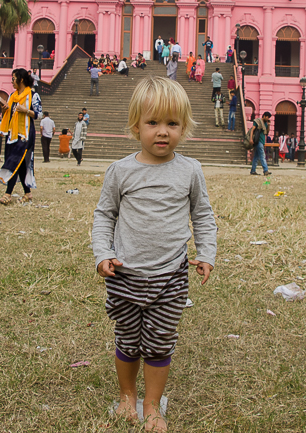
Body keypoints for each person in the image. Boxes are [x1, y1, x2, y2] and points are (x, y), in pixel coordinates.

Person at [92, 75, 217, 432]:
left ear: (185, 127)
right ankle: (127, 396)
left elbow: (203, 215)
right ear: (136, 127)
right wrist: (102, 253)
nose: (162, 132)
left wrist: (206, 253)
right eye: (153, 123)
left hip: (170, 278)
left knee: (160, 343)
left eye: (172, 123)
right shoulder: (120, 171)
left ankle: (152, 403)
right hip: (124, 274)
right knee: (128, 340)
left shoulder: (190, 171)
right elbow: (104, 216)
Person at [0, 68, 41, 205]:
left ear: (21, 79)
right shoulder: (12, 96)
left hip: (25, 135)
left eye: (13, 79)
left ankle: (7, 194)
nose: (12, 82)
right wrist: (4, 109)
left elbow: (38, 114)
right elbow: (8, 114)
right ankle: (28, 193)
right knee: (19, 163)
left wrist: (25, 110)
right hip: (12, 133)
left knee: (14, 161)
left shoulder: (33, 95)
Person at [250, 112, 271, 176]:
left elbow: (266, 132)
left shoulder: (265, 123)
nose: (268, 119)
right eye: (267, 117)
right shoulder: (258, 121)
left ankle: (253, 170)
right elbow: (252, 130)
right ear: (264, 116)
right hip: (258, 141)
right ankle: (265, 170)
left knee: (256, 157)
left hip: (262, 140)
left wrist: (269, 125)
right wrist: (251, 139)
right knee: (262, 155)